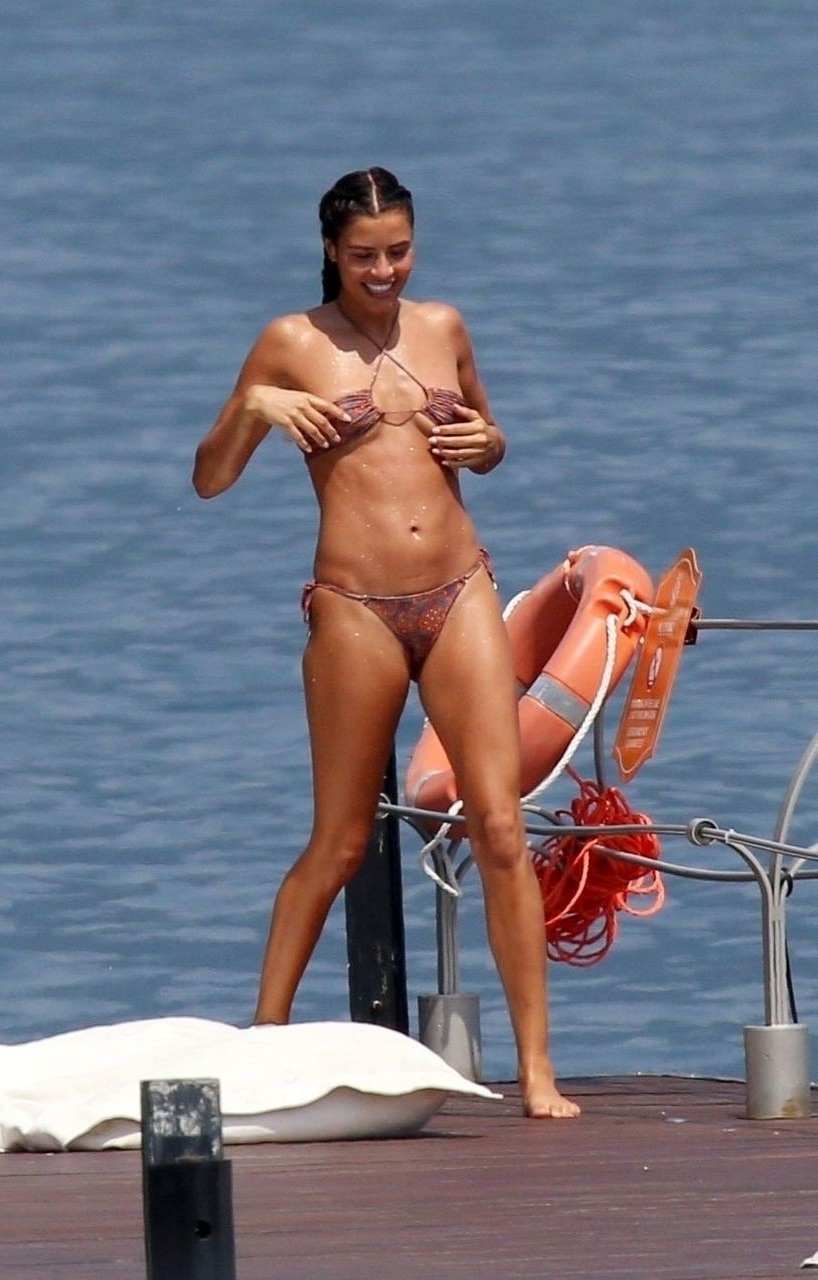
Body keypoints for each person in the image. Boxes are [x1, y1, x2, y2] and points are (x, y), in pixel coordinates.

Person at [192, 167, 578, 1119]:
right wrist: (256, 408)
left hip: (460, 592)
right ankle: (263, 1041)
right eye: (364, 254)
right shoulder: (291, 342)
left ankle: (536, 1072)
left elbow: (488, 435)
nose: (384, 271)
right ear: (331, 250)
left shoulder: (444, 327)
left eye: (398, 251)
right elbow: (209, 479)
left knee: (501, 827)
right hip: (355, 607)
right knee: (339, 841)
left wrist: (490, 445)